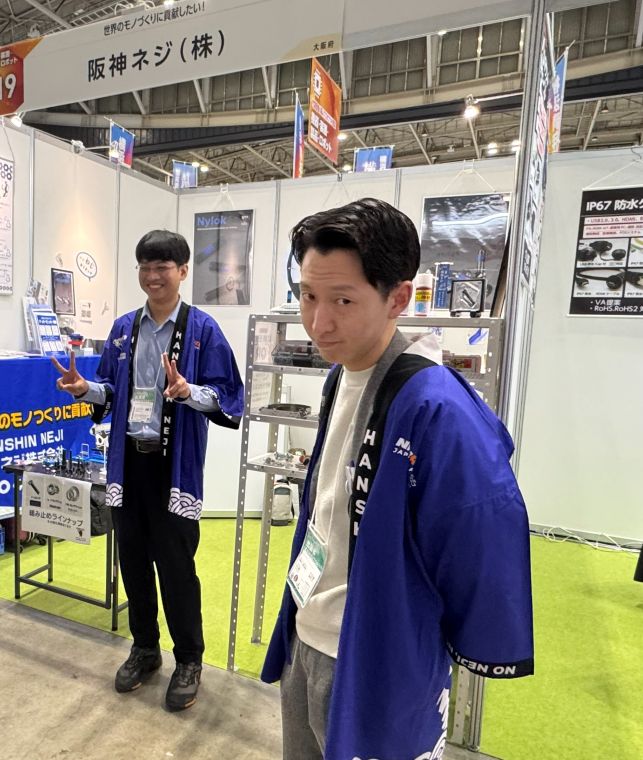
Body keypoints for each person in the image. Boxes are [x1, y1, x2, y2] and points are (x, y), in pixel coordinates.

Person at [261, 198, 534, 759]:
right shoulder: (342, 375)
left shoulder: (437, 406)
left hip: (378, 657)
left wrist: (453, 642)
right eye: (308, 296)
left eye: (342, 300)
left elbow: (483, 527)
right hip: (307, 631)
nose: (319, 322)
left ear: (398, 298)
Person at [52, 230, 244, 711]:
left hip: (173, 466)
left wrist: (188, 392)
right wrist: (85, 389)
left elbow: (228, 396)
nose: (153, 276)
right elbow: (111, 390)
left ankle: (189, 658)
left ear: (183, 271)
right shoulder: (123, 328)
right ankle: (144, 649)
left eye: (163, 267)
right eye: (145, 267)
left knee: (177, 567)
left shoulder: (203, 330)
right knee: (133, 561)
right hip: (127, 464)